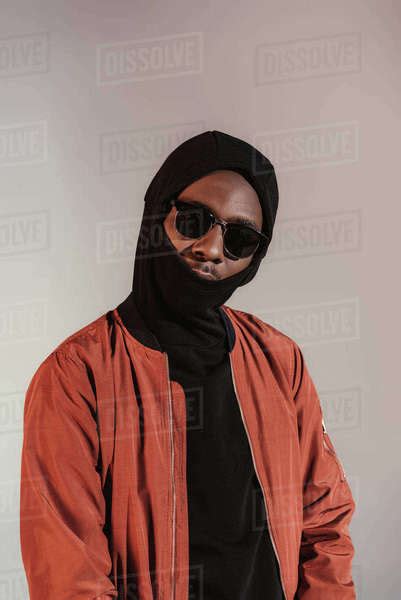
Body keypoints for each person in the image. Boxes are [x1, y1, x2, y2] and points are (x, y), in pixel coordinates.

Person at [20, 130, 356, 600]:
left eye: (240, 238)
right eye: (195, 221)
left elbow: (325, 527)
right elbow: (68, 574)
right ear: (159, 213)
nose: (212, 249)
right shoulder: (77, 377)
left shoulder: (280, 361)